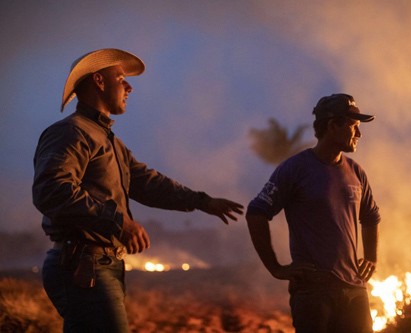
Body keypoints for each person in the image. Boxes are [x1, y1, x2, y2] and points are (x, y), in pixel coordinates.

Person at [32, 48, 244, 333]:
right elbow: (51, 190)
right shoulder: (71, 132)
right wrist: (119, 221)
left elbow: (146, 182)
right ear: (98, 80)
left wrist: (201, 201)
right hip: (83, 266)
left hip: (96, 265)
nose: (129, 86)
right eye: (121, 78)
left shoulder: (109, 141)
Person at [246, 93, 381, 333]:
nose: (359, 134)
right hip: (313, 293)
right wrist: (276, 268)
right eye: (353, 126)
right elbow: (256, 212)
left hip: (354, 292)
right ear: (332, 126)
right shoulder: (295, 168)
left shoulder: (356, 172)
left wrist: (371, 257)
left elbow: (370, 217)